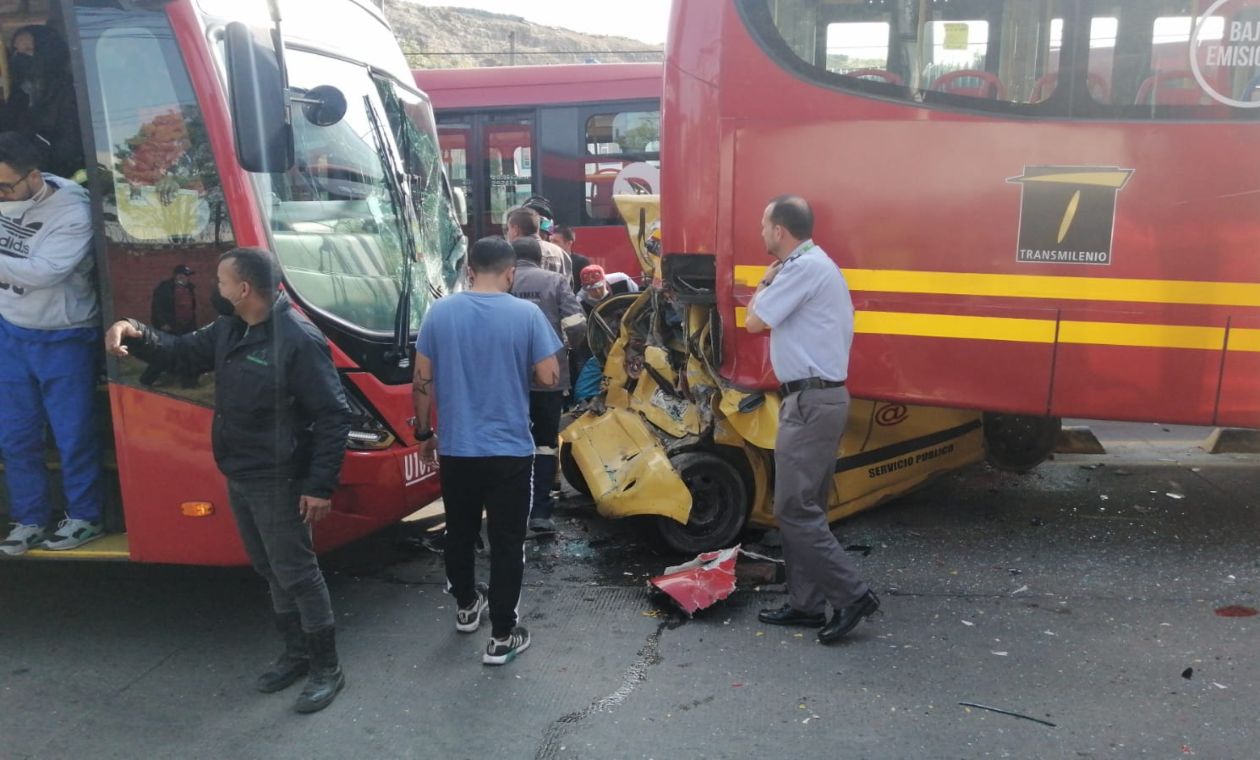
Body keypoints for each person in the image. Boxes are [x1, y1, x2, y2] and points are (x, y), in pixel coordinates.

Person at [104, 248, 350, 712]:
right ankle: (295, 654)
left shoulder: (296, 338)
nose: (213, 288)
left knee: (297, 572)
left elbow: (333, 415)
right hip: (239, 470)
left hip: (278, 475)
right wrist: (133, 331)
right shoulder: (229, 327)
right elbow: (180, 354)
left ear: (243, 289)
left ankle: (326, 668)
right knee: (268, 567)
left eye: (220, 281)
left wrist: (319, 486)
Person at [412, 236, 561, 665]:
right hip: (510, 451)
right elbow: (549, 376)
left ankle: (464, 606)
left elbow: (421, 381)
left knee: (458, 531)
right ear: (511, 272)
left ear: (469, 268)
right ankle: (501, 635)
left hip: (457, 448)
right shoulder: (526, 314)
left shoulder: (439, 313)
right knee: (507, 541)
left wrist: (425, 432)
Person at [745, 195, 879, 644]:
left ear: (780, 230)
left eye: (764, 226)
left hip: (809, 403)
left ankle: (851, 594)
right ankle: (806, 604)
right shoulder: (818, 264)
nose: (761, 233)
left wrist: (764, 282)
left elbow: (754, 322)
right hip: (819, 400)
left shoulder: (799, 269)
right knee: (808, 508)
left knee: (793, 509)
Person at [0, 131, 104, 556]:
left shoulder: (73, 208)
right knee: (15, 436)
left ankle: (85, 517)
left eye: (6, 186)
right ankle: (29, 519)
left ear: (35, 177)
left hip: (65, 335)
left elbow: (45, 272)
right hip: (10, 328)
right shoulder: (8, 190)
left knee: (72, 434)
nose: (1, 194)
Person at [509, 237, 585, 534]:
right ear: (540, 257)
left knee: (512, 441)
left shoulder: (505, 281)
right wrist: (567, 348)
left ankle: (511, 506)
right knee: (545, 443)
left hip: (509, 376)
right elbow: (578, 324)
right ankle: (540, 511)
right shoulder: (555, 281)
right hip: (549, 377)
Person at [3, 26, 83, 179]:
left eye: (28, 50)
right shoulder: (20, 94)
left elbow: (68, 147)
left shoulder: (69, 93)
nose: (20, 57)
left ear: (47, 53)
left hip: (59, 182)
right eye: (16, 51)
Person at [140, 264, 199, 388]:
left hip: (186, 326)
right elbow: (157, 308)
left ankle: (189, 382)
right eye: (184, 275)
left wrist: (192, 325)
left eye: (188, 276)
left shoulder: (189, 288)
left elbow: (191, 308)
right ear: (177, 276)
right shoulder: (164, 289)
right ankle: (147, 380)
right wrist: (163, 324)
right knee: (163, 354)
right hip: (170, 326)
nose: (187, 278)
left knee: (188, 354)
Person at [506, 206, 568, 277]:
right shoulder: (560, 252)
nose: (508, 232)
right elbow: (567, 284)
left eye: (508, 228)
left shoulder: (510, 253)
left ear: (515, 230)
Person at [551, 225, 590, 294]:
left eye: (555, 241)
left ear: (569, 243)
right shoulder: (547, 261)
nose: (551, 244)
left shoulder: (582, 262)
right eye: (550, 240)